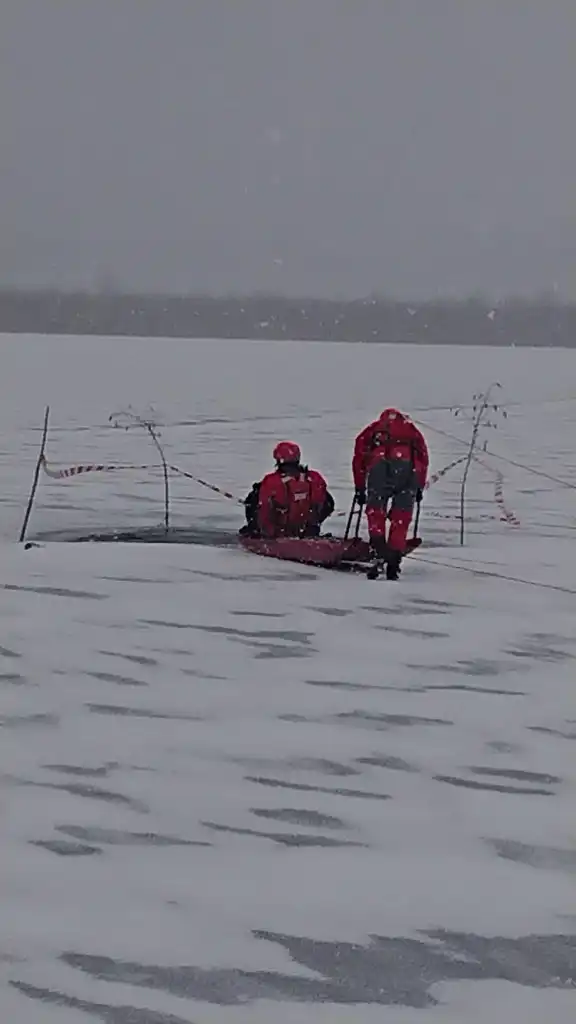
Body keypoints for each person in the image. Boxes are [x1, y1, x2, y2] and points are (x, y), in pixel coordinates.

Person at [352, 408, 428, 579]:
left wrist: (360, 487)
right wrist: (419, 487)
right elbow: (423, 457)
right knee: (401, 516)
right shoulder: (411, 431)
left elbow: (359, 458)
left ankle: (378, 550)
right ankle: (393, 559)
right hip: (408, 470)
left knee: (376, 510)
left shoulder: (372, 430)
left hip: (380, 466)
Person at [241, 441, 335, 539]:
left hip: (276, 535)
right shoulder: (315, 478)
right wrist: (314, 524)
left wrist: (260, 532)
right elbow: (328, 505)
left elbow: (263, 510)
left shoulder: (271, 482)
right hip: (308, 532)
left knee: (252, 500)